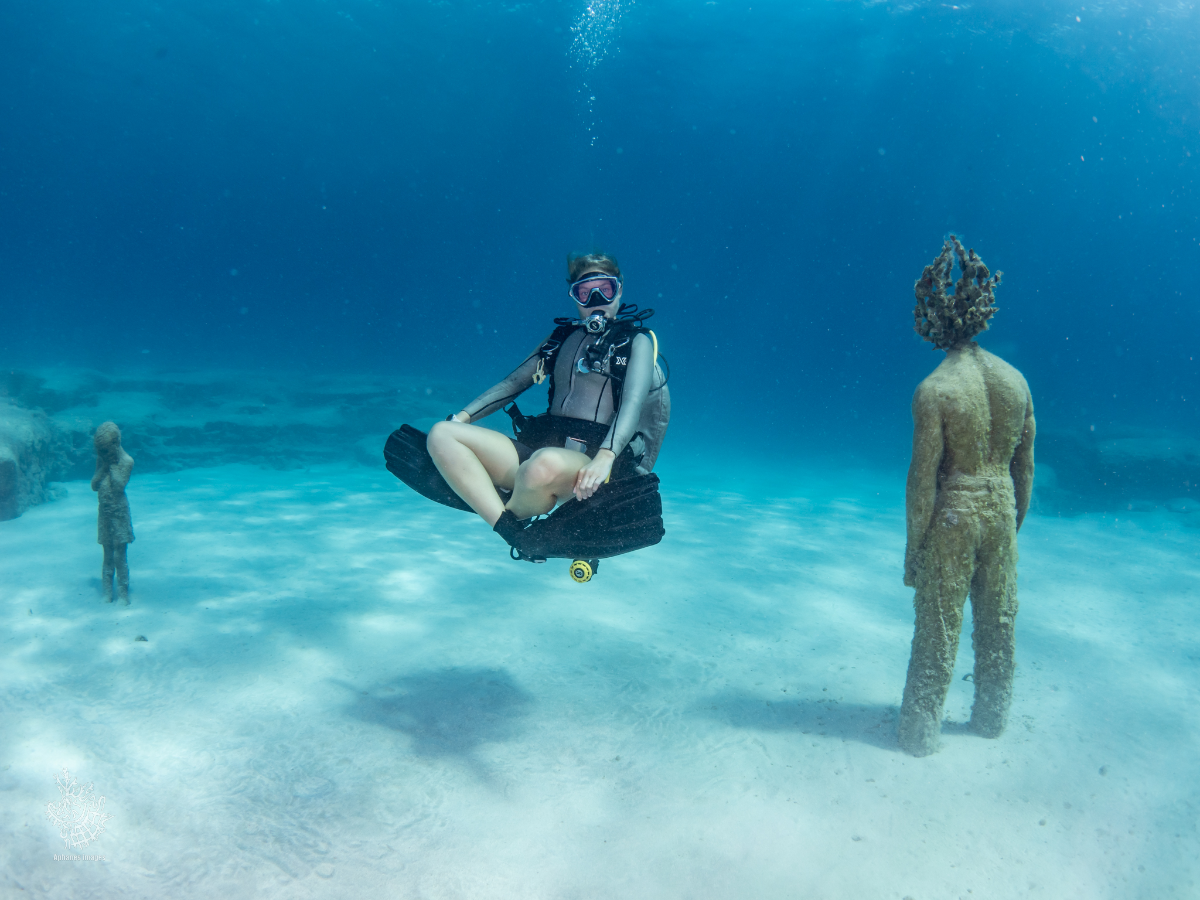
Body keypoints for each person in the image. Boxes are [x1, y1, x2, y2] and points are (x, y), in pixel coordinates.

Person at [425, 252, 668, 555]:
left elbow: (633, 402)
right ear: (574, 297)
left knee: (542, 465)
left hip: (592, 466)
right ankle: (513, 530)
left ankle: (498, 503)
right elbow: (513, 384)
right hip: (540, 453)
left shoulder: (637, 341)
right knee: (442, 433)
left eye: (605, 289)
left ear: (619, 290)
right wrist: (461, 418)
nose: (596, 300)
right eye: (584, 292)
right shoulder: (560, 338)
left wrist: (606, 456)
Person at [898, 236, 1035, 756]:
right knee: (998, 625)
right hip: (1000, 509)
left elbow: (921, 479)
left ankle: (919, 735)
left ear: (931, 318)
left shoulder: (935, 389)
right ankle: (991, 720)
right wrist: (1010, 526)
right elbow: (1025, 467)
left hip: (955, 514)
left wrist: (915, 549)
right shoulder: (1016, 382)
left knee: (938, 628)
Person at [92, 421, 135, 604]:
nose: (103, 455)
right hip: (104, 513)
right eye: (100, 452)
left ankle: (123, 593)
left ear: (116, 444)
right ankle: (107, 592)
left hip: (119, 513)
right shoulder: (101, 460)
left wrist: (111, 467)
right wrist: (103, 466)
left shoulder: (127, 461)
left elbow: (119, 487)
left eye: (105, 451)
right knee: (107, 553)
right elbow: (94, 485)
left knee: (120, 554)